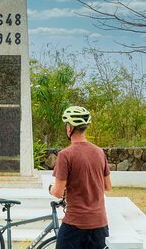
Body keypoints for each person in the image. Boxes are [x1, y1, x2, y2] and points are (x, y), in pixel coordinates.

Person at [49, 106, 112, 249]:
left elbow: (58, 192)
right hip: (100, 224)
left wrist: (51, 189)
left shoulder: (65, 155)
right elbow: (107, 186)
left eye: (66, 126)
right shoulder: (99, 152)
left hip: (75, 224)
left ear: (70, 127)